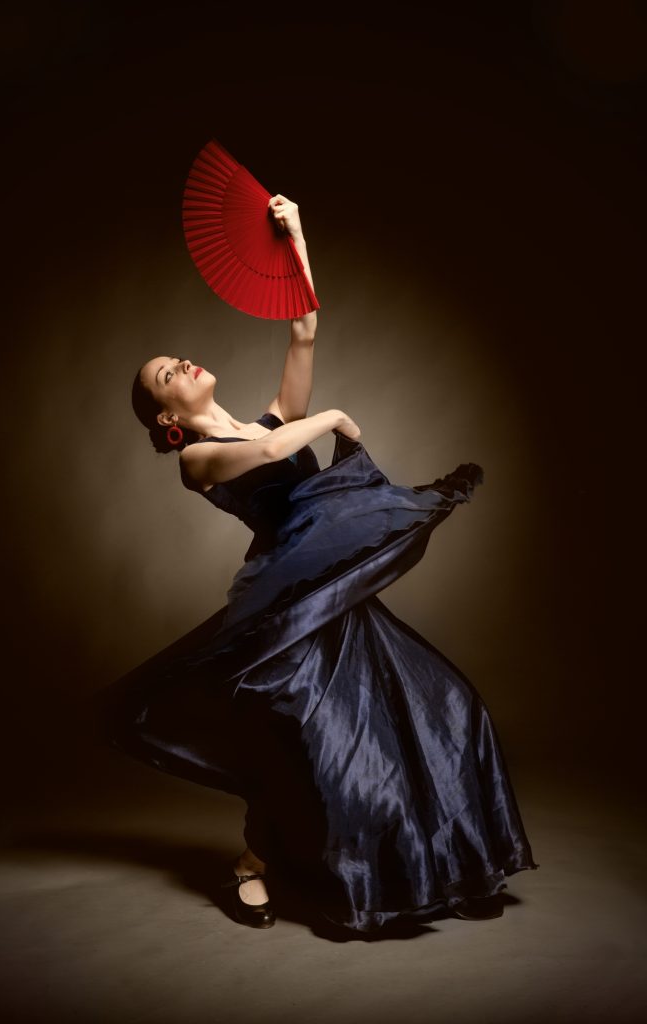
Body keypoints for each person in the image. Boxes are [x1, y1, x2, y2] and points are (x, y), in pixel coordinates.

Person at [108, 194, 538, 936]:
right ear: (168, 420)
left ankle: (453, 862)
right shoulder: (199, 459)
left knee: (445, 711)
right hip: (286, 609)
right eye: (162, 375)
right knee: (326, 752)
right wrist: (332, 417)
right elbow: (274, 455)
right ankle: (253, 865)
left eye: (172, 357)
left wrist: (295, 235)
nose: (178, 362)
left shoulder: (263, 420)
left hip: (330, 591)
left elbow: (303, 330)